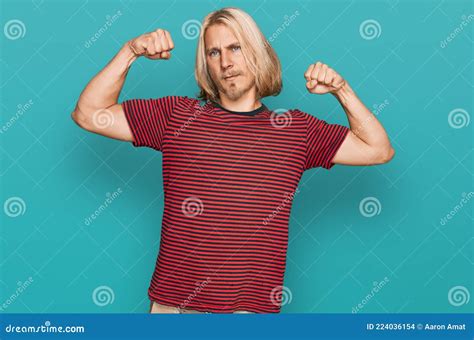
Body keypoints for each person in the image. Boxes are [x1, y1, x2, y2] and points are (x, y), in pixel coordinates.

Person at [71, 7, 395, 314]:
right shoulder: (177, 116)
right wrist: (130, 52)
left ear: (257, 52)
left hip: (250, 312)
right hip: (175, 309)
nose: (226, 62)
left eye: (235, 47)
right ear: (207, 64)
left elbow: (378, 149)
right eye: (214, 52)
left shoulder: (296, 130)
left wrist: (342, 90)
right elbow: (88, 114)